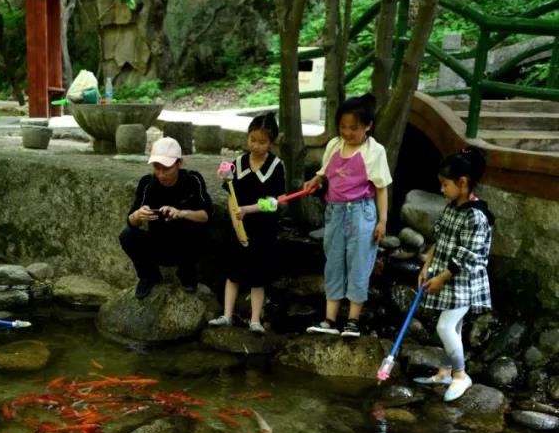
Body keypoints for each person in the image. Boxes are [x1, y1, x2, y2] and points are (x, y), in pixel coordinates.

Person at [303, 93, 391, 338]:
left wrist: (382, 221)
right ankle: (329, 320)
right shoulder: (334, 145)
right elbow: (324, 174)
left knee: (359, 263)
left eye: (354, 128)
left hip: (361, 213)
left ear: (368, 126)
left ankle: (353, 321)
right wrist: (316, 180)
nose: (347, 132)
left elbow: (381, 188)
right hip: (335, 212)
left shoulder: (375, 151)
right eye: (343, 127)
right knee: (333, 262)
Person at [414, 147, 493, 403]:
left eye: (445, 184)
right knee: (453, 328)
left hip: (463, 283)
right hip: (445, 277)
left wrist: (441, 277)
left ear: (463, 182)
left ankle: (460, 375)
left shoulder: (476, 216)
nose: (441, 189)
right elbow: (438, 240)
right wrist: (427, 266)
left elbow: (468, 256)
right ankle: (446, 371)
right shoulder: (451, 207)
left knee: (445, 327)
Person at [208, 113, 285, 333]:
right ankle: (227, 315)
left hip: (263, 229)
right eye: (252, 140)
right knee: (233, 273)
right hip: (238, 228)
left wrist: (248, 210)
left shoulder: (276, 166)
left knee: (258, 276)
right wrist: (236, 224)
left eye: (262, 142)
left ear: (271, 143)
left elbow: (274, 202)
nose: (256, 145)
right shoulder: (238, 164)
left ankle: (255, 320)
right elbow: (231, 197)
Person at [119, 137, 213, 300]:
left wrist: (181, 213)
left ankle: (187, 273)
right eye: (157, 168)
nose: (161, 174)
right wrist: (138, 215)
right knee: (127, 235)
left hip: (186, 245)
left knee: (200, 230)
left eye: (167, 169)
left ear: (179, 163)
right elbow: (131, 221)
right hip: (158, 243)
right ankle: (149, 276)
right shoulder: (147, 183)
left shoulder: (193, 180)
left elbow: (206, 215)